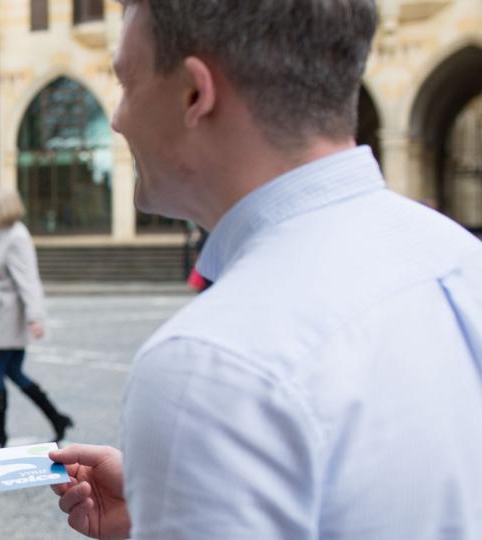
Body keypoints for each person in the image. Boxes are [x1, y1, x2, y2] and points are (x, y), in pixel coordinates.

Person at [49, 2, 482, 539]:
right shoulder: (460, 258)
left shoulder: (208, 364)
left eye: (127, 82)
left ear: (194, 94)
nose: (117, 118)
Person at [0, 188, 70, 449]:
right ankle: (56, 418)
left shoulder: (17, 237)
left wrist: (35, 317)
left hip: (11, 313)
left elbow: (28, 280)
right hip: (3, 310)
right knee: (13, 371)